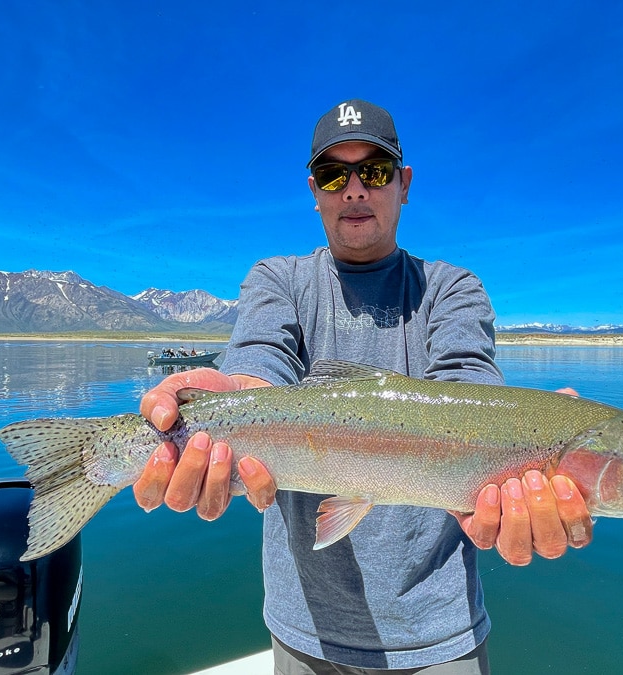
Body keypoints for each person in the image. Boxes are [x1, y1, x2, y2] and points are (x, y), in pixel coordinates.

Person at [135, 99, 593, 673]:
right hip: (302, 633)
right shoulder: (278, 279)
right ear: (315, 190)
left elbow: (467, 382)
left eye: (373, 171)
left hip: (440, 634)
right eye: (334, 174)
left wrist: (520, 441)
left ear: (403, 184)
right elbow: (260, 367)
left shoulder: (452, 289)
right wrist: (230, 393)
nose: (354, 189)